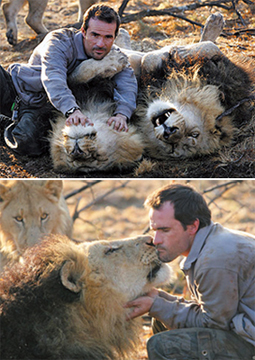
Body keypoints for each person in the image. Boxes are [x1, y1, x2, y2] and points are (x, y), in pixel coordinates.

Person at [125, 184, 255, 360]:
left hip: (249, 342)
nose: (155, 240)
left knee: (163, 346)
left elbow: (213, 325)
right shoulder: (210, 243)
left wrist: (156, 306)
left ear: (193, 226)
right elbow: (210, 311)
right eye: (154, 230)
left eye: (165, 230)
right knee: (162, 319)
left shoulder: (214, 260)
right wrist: (160, 298)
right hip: (242, 328)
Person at [0, 4, 138, 156]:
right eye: (95, 35)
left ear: (115, 36)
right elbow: (53, 78)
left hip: (41, 108)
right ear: (84, 31)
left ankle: (5, 123)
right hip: (19, 91)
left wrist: (122, 114)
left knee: (27, 143)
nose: (101, 44)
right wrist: (72, 110)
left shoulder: (113, 55)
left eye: (108, 37)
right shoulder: (59, 41)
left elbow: (128, 83)